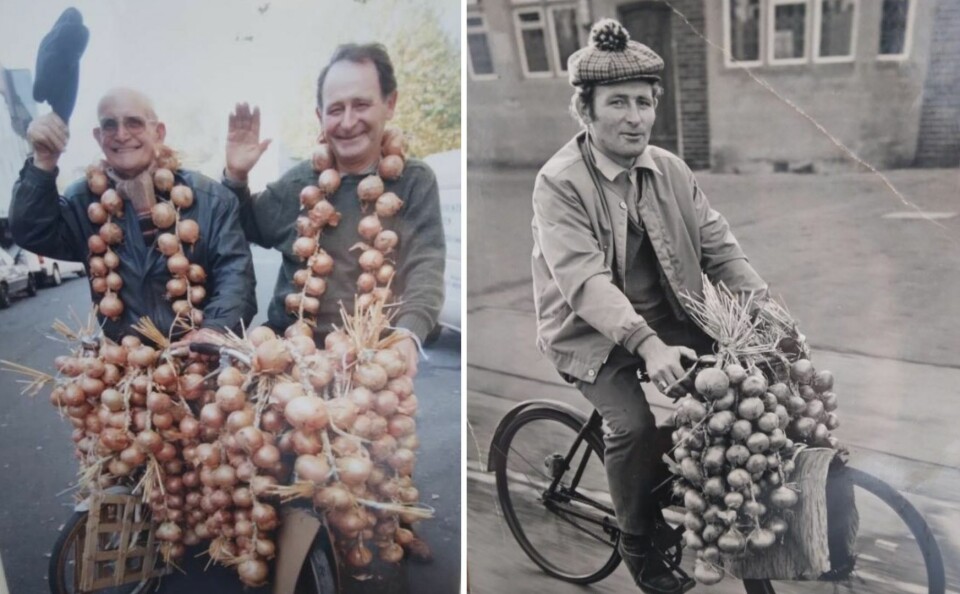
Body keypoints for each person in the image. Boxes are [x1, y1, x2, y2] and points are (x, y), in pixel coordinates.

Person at [531, 19, 767, 594]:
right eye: (618, 103)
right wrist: (645, 344)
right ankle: (636, 538)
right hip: (589, 332)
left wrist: (766, 313)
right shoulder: (559, 182)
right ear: (584, 111)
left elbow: (719, 248)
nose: (635, 117)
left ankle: (695, 501)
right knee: (633, 426)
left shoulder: (670, 170)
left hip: (670, 321)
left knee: (740, 399)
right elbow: (583, 280)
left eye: (644, 102)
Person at [222, 42, 445, 379]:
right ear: (320, 117)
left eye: (361, 104)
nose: (349, 121)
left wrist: (409, 333)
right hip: (289, 362)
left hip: (371, 363)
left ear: (390, 104)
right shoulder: (299, 182)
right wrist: (236, 176)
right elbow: (240, 226)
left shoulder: (413, 181)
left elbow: (425, 268)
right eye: (336, 109)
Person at [10, 87, 257, 344]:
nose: (122, 134)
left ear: (158, 132)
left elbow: (236, 274)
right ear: (98, 137)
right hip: (126, 364)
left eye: (134, 123)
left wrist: (214, 330)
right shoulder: (82, 202)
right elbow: (32, 232)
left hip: (201, 357)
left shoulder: (210, 198)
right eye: (109, 125)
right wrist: (43, 162)